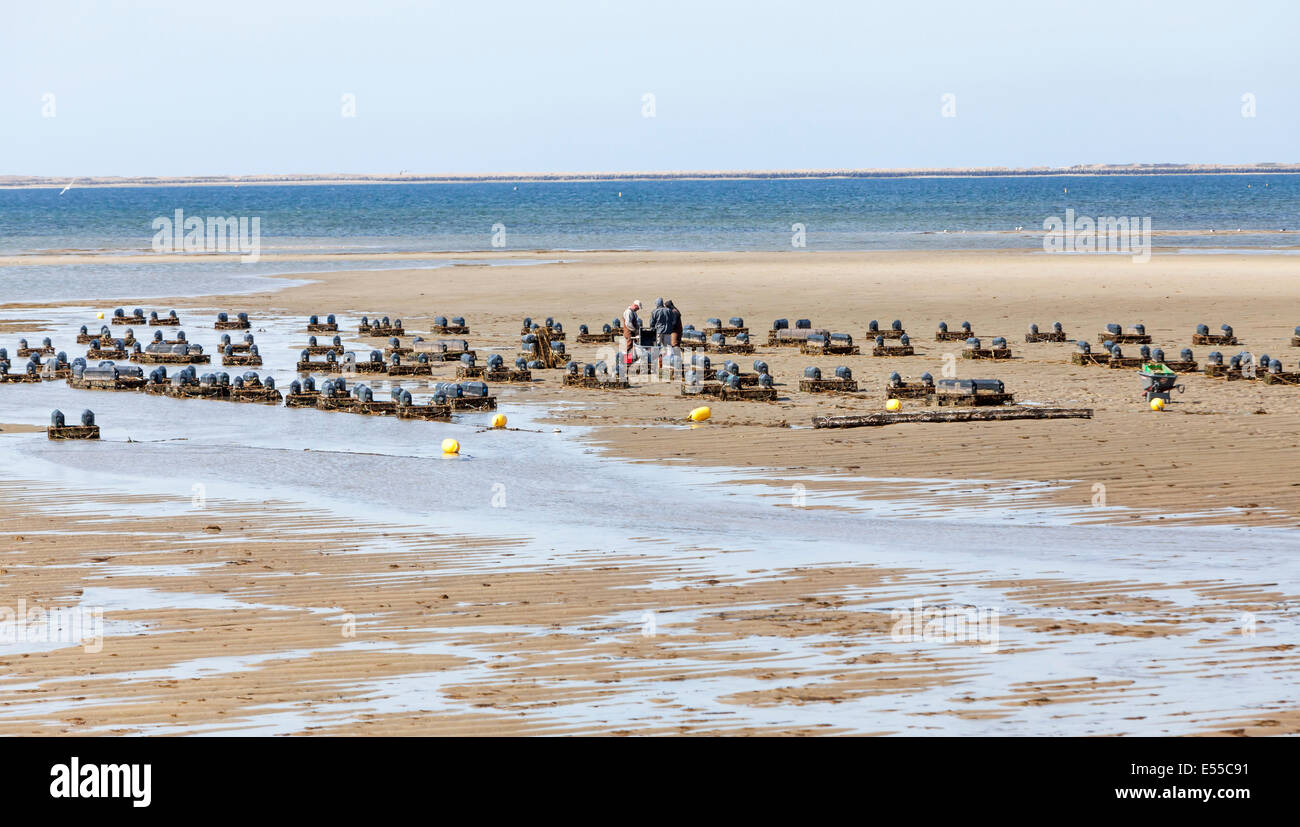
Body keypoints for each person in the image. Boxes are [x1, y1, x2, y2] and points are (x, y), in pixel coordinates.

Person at [650, 297, 670, 367]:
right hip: (668, 331)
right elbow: (672, 320)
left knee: (656, 347)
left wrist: (652, 329)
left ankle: (655, 361)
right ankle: (668, 361)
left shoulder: (655, 311)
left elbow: (652, 323)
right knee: (667, 347)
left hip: (658, 332)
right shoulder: (668, 310)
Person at [622, 300, 642, 364]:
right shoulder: (628, 312)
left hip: (632, 332)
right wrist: (635, 330)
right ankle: (627, 361)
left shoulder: (633, 312)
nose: (638, 309)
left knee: (634, 345)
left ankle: (633, 359)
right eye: (638, 308)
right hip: (628, 332)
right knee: (629, 345)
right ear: (635, 306)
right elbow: (628, 324)